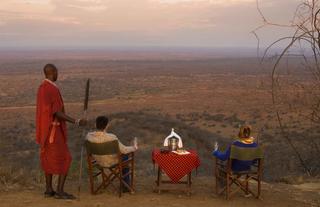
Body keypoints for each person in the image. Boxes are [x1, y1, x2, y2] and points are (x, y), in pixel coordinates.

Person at [36, 63, 86, 199]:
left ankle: (48, 190)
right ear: (52, 72)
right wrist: (76, 121)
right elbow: (57, 112)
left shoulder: (42, 88)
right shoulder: (51, 89)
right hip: (53, 131)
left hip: (46, 131)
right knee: (66, 158)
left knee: (48, 158)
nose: (58, 74)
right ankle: (60, 191)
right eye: (57, 72)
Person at [85, 116, 138, 192]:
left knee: (124, 155)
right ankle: (126, 185)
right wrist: (134, 147)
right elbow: (124, 150)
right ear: (107, 125)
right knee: (125, 155)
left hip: (99, 162)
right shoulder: (112, 138)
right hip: (113, 162)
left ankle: (124, 185)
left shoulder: (88, 137)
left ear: (95, 125)